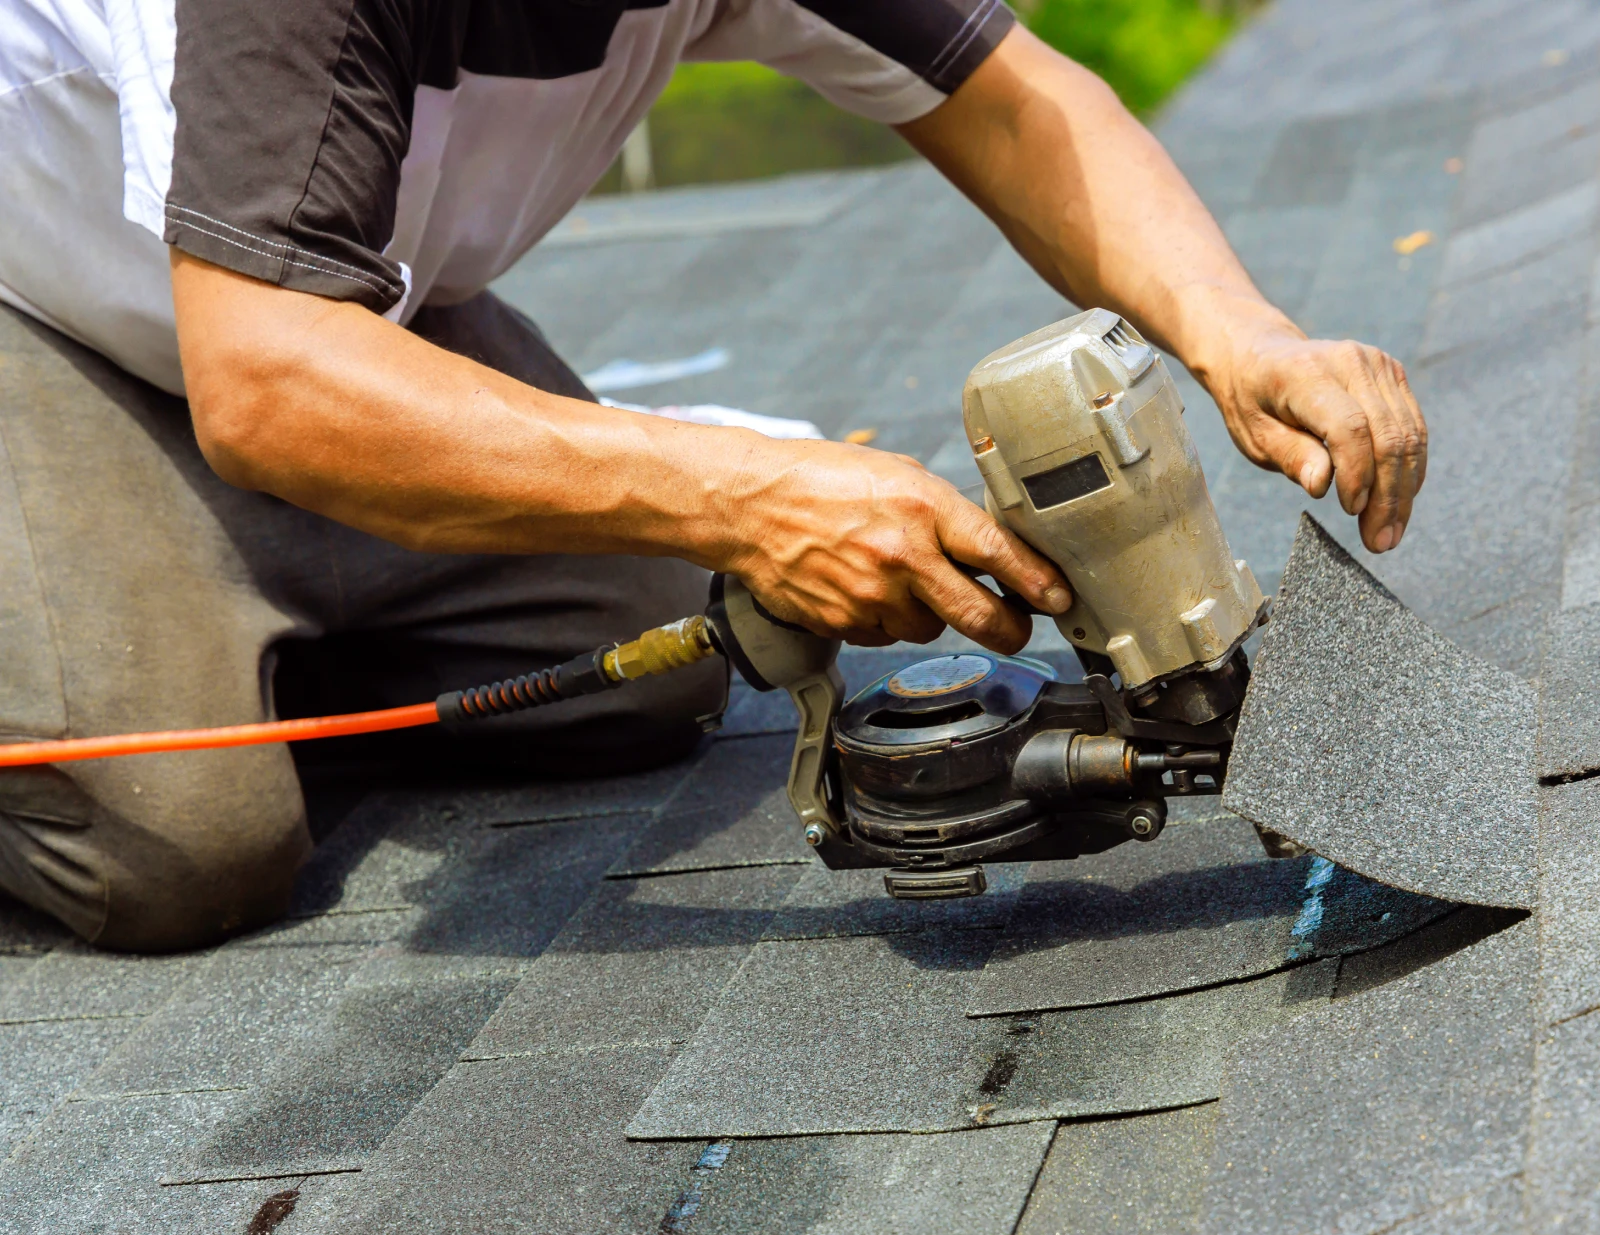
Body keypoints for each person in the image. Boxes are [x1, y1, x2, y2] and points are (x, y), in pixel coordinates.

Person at [0, 0, 1427, 952]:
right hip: (54, 316)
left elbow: (1016, 105)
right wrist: (746, 491)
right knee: (177, 847)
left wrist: (1243, 335)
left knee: (657, 654)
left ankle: (221, 635)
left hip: (329, 309)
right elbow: (265, 380)